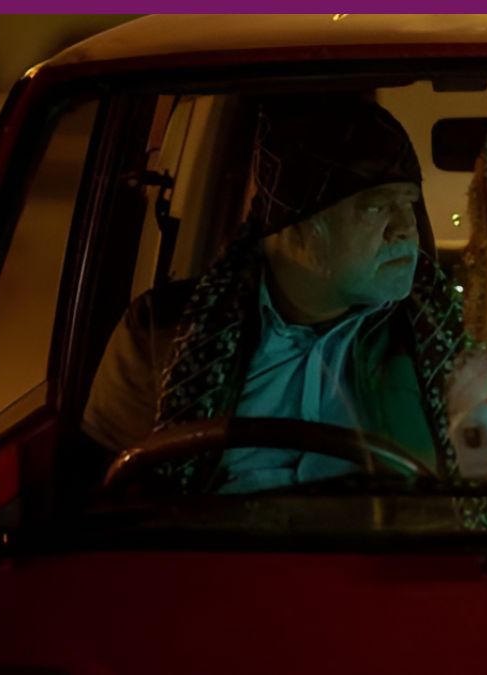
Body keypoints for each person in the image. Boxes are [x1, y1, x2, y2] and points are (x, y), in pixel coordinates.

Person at [83, 92, 465, 495]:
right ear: (293, 227)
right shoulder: (163, 332)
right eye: (375, 207)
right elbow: (107, 493)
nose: (406, 228)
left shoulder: (436, 340)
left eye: (409, 204)